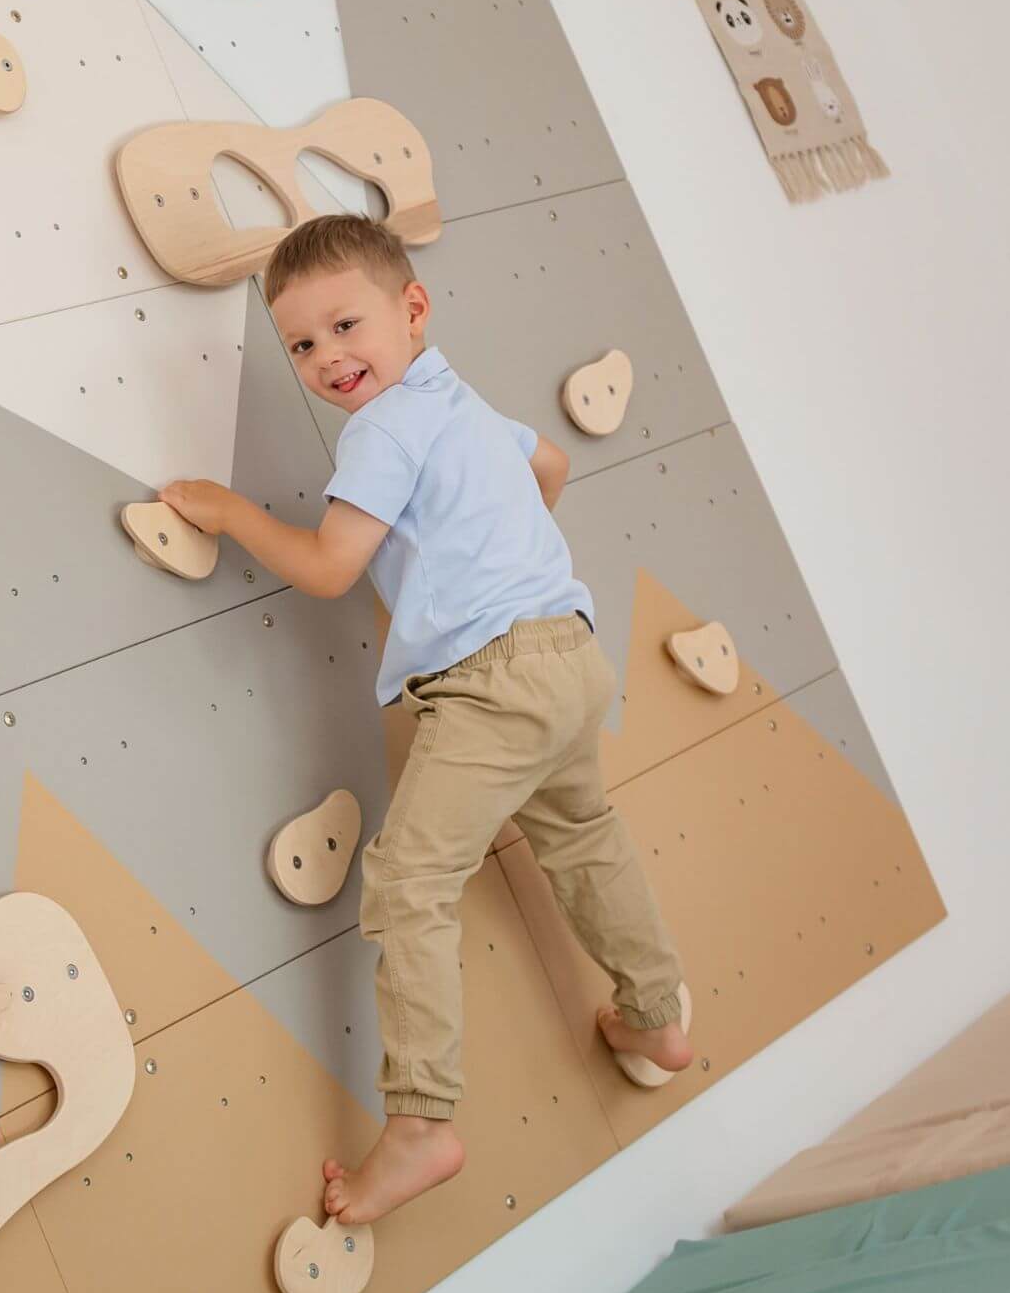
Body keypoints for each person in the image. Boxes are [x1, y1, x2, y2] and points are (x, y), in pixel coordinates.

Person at [162, 213, 690, 1226]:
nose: (328, 358)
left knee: (409, 880)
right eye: (303, 345)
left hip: (492, 681)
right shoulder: (459, 401)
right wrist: (494, 556)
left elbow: (328, 567)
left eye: (346, 326)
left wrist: (231, 515)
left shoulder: (385, 429)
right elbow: (553, 471)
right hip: (568, 653)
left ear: (412, 308)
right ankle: (658, 1019)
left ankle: (419, 1125)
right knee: (583, 837)